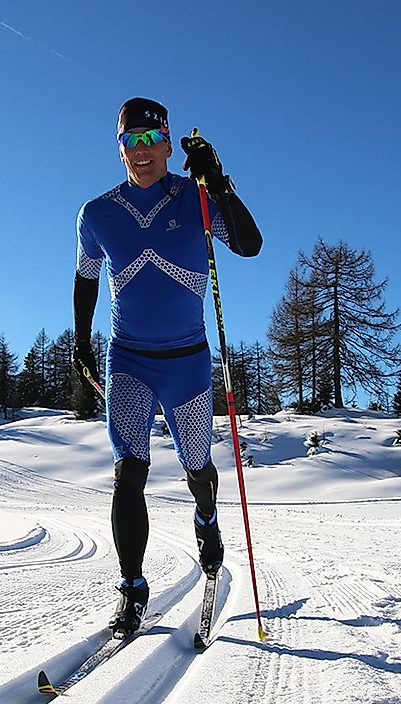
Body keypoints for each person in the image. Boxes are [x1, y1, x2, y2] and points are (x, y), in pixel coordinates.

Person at [74, 96, 261, 635]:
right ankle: (132, 590)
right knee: (128, 474)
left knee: (197, 468)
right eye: (130, 140)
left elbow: (249, 245)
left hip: (187, 362)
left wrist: (219, 184)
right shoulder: (97, 214)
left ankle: (207, 518)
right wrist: (81, 342)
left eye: (151, 139)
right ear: (119, 148)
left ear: (167, 144)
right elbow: (86, 278)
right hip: (128, 359)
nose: (142, 151)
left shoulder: (194, 196)